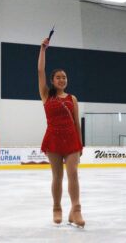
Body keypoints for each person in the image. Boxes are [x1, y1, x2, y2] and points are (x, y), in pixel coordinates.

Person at [37, 38, 85, 227]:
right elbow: (40, 71)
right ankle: (57, 208)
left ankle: (76, 210)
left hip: (72, 140)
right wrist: (43, 50)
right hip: (54, 139)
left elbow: (76, 123)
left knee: (73, 173)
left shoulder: (72, 98)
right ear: (52, 81)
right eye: (58, 77)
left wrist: (80, 144)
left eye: (64, 77)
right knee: (57, 176)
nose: (62, 80)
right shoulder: (46, 95)